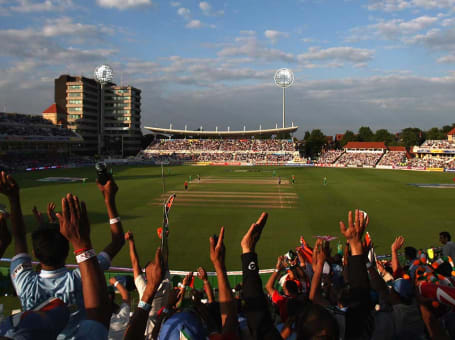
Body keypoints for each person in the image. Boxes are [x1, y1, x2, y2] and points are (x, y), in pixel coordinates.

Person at [0, 171, 124, 339]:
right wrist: (109, 201)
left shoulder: (24, 282)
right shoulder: (83, 277)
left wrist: (13, 199)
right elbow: (117, 242)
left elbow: (20, 238)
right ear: (68, 251)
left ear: (35, 253)